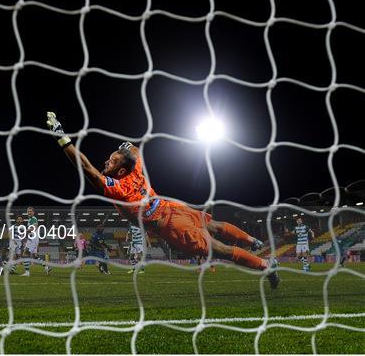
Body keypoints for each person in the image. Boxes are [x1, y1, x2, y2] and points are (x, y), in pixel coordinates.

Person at [45, 112, 279, 288]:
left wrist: (61, 136)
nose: (106, 162)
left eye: (111, 161)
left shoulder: (118, 189)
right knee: (214, 225)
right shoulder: (136, 169)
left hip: (171, 224)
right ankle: (252, 241)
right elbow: (135, 151)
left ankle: (264, 265)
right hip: (172, 207)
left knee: (218, 249)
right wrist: (125, 148)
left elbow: (86, 167)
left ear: (119, 171)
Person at [21, 206, 39, 277]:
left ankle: (27, 272)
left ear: (33, 212)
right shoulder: (30, 219)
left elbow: (34, 227)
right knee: (34, 256)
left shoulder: (33, 219)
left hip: (33, 238)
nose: (29, 213)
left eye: (30, 211)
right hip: (31, 238)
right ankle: (46, 266)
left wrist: (24, 231)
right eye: (28, 211)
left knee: (25, 254)